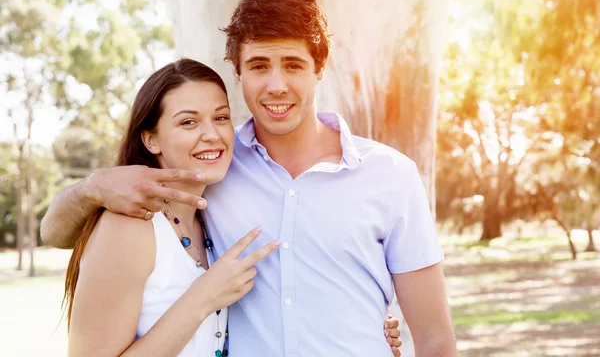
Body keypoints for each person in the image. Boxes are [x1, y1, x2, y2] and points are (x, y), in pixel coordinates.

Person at [43, 0, 454, 355]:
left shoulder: (390, 176)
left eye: (293, 65)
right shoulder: (212, 170)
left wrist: (365, 326)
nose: (276, 84)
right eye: (258, 66)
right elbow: (57, 234)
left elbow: (435, 337)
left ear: (319, 70)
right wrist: (92, 188)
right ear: (238, 72)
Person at [59, 59, 402, 356]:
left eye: (221, 118)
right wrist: (204, 298)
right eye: (188, 122)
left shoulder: (210, 219)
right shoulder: (131, 228)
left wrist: (367, 327)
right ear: (151, 139)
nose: (212, 135)